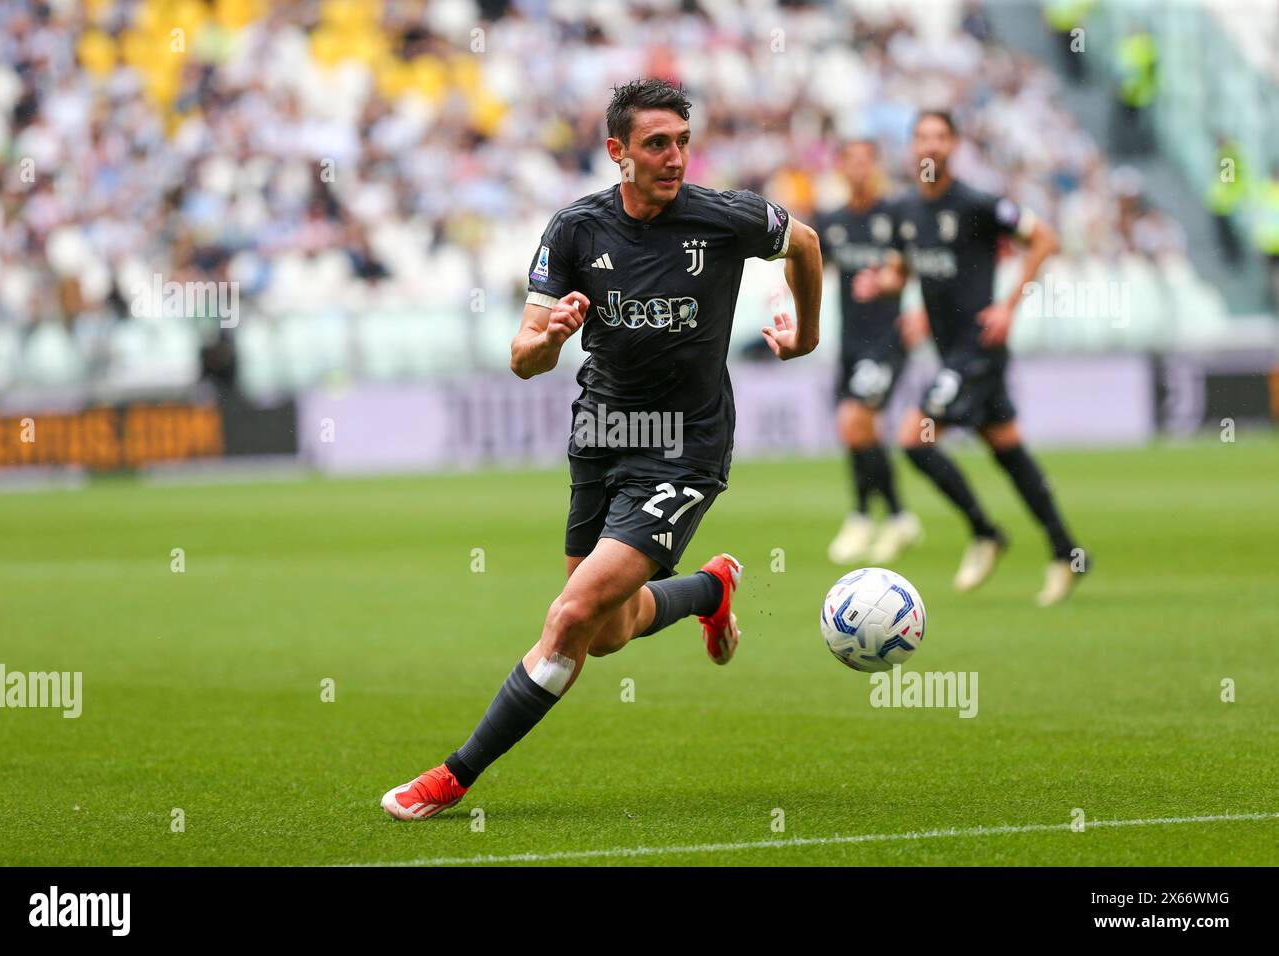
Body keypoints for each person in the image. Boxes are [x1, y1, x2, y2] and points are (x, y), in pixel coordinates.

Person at [381, 78, 823, 819]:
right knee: (609, 630)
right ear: (617, 152)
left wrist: (805, 337)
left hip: (687, 446)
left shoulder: (723, 218)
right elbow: (523, 356)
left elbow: (803, 243)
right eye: (656, 144)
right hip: (603, 435)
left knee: (568, 619)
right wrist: (549, 337)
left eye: (683, 141)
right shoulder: (576, 230)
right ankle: (709, 591)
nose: (674, 157)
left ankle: (453, 777)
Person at [855, 110, 1086, 606]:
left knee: (912, 437)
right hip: (949, 349)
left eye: (940, 137)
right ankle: (1066, 552)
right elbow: (902, 271)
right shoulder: (904, 211)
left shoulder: (978, 204)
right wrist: (882, 284)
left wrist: (1008, 305)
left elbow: (1044, 237)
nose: (930, 146)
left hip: (978, 349)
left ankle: (985, 532)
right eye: (922, 137)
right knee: (1007, 448)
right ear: (911, 147)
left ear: (954, 146)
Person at [816, 139, 921, 565]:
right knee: (859, 430)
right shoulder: (833, 221)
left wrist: (893, 288)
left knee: (853, 420)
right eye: (851, 161)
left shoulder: (894, 215)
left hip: (888, 342)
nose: (859, 169)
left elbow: (915, 266)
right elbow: (810, 262)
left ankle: (864, 516)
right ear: (841, 168)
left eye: (866, 161)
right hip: (850, 344)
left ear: (875, 166)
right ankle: (897, 517)